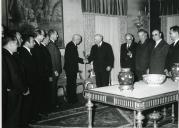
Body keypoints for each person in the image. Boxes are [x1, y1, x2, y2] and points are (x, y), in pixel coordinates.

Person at [2, 33, 26, 128]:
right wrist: (23, 88)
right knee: (13, 117)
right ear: (11, 44)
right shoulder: (6, 56)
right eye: (16, 44)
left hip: (13, 90)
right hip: (13, 91)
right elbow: (15, 76)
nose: (18, 46)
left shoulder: (8, 54)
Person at [18, 34, 36, 127]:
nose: (34, 43)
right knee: (27, 104)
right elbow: (24, 70)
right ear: (27, 42)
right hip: (28, 82)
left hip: (32, 81)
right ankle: (26, 122)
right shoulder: (22, 52)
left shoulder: (28, 51)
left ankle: (30, 119)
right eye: (33, 41)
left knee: (30, 102)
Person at [64, 34, 84, 104]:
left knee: (72, 84)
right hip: (70, 68)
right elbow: (74, 58)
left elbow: (74, 58)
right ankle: (71, 99)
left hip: (71, 68)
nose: (80, 41)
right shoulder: (71, 45)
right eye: (80, 39)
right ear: (76, 39)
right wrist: (83, 60)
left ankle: (72, 98)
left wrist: (82, 60)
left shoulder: (72, 45)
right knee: (71, 84)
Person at [31, 29, 45, 118]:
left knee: (40, 95)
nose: (43, 37)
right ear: (38, 35)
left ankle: (39, 112)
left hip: (41, 74)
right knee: (36, 96)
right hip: (38, 75)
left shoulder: (38, 45)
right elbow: (36, 62)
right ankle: (36, 113)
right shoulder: (35, 46)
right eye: (43, 35)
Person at [47, 29, 62, 109]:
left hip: (55, 71)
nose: (57, 36)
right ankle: (53, 104)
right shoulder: (51, 45)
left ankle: (55, 102)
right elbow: (51, 59)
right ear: (52, 35)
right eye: (56, 34)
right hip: (54, 71)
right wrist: (54, 70)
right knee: (53, 88)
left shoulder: (53, 44)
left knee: (54, 87)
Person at [40, 32, 53, 113]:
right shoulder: (41, 48)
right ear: (44, 39)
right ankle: (45, 109)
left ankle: (47, 108)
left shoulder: (44, 47)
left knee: (47, 92)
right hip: (44, 75)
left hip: (47, 74)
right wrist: (49, 75)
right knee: (44, 93)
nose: (49, 41)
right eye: (48, 39)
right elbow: (45, 64)